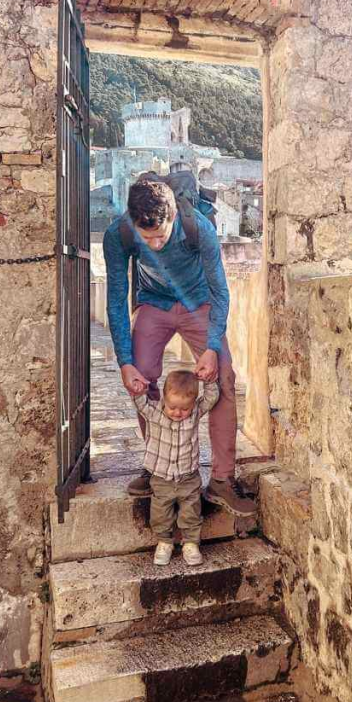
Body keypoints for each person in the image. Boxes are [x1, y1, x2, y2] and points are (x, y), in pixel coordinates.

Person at [102, 177, 256, 517]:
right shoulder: (119, 235)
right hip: (154, 303)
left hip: (198, 302)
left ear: (173, 216)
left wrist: (213, 347)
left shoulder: (197, 227)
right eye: (147, 238)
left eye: (161, 235)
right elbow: (114, 299)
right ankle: (157, 465)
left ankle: (221, 480)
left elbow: (220, 293)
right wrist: (124, 362)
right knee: (141, 378)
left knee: (224, 379)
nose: (154, 245)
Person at [133, 370, 218, 566]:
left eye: (184, 408)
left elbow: (211, 398)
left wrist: (209, 381)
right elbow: (140, 404)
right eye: (172, 407)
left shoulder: (195, 413)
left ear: (193, 404)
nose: (178, 412)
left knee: (191, 511)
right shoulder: (154, 412)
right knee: (161, 512)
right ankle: (164, 541)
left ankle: (190, 543)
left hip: (188, 476)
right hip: (162, 477)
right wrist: (139, 389)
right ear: (164, 397)